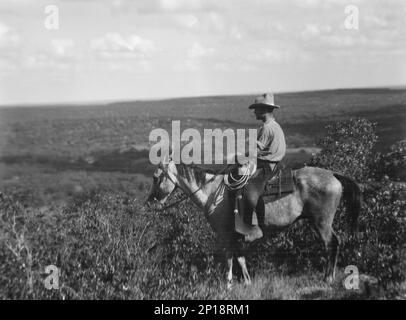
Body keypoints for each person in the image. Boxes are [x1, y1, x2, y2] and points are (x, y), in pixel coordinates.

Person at [236, 93, 286, 241]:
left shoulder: (266, 128)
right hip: (272, 164)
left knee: (247, 189)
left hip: (266, 166)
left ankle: (253, 228)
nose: (254, 112)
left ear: (264, 110)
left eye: (256, 109)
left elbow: (254, 152)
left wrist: (239, 159)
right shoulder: (274, 126)